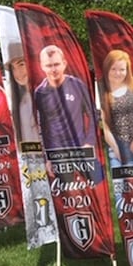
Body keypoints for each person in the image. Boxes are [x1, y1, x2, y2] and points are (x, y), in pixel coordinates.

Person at [34, 45, 101, 182]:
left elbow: (93, 114)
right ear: (42, 66)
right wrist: (48, 158)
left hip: (81, 147)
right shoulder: (40, 93)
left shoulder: (77, 85)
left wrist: (89, 142)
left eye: (57, 64)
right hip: (58, 153)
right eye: (49, 65)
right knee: (68, 193)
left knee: (97, 185)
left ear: (64, 64)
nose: (53, 69)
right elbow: (41, 128)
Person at [99, 49, 133, 169]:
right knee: (125, 176)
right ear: (107, 68)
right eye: (113, 69)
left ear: (127, 70)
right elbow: (105, 126)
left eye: (122, 69)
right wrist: (116, 149)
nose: (117, 73)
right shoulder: (102, 89)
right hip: (116, 143)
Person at [5, 43, 40, 143]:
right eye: (13, 68)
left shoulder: (45, 95)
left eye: (21, 64)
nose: (18, 73)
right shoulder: (19, 101)